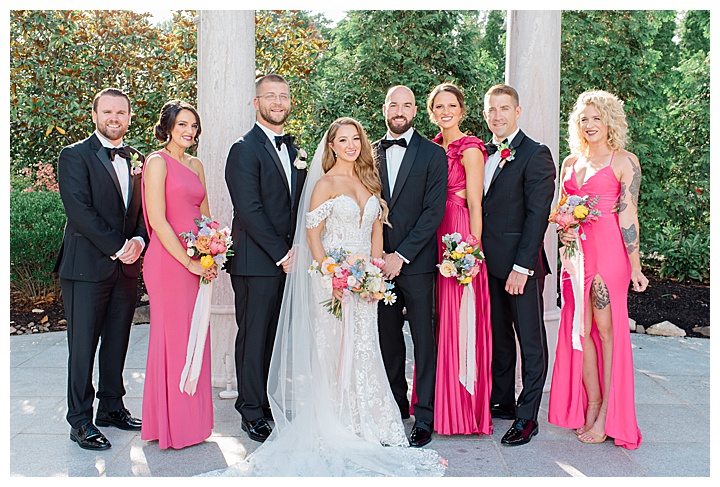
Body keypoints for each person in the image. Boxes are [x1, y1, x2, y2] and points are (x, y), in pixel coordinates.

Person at [202, 118, 445, 477]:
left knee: (364, 346)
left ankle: (368, 420)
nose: (350, 145)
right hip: (333, 280)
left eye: (355, 139)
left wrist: (375, 275)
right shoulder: (324, 184)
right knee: (333, 350)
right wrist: (332, 274)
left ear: (363, 143)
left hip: (365, 283)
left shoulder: (368, 181)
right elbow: (313, 236)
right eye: (342, 140)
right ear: (331, 146)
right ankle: (335, 420)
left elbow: (377, 230)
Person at [548, 90, 647, 449]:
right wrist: (564, 224)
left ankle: (608, 412)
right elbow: (559, 209)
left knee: (606, 331)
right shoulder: (570, 163)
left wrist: (635, 266)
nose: (590, 125)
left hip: (609, 255)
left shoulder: (624, 161)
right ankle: (591, 405)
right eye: (584, 119)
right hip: (576, 256)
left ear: (610, 121)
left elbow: (628, 214)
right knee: (581, 331)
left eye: (596, 118)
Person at [54, 87, 146, 450]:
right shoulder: (74, 155)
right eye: (107, 112)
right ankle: (80, 420)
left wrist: (139, 241)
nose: (114, 118)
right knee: (82, 347)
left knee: (117, 342)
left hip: (126, 269)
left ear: (128, 117)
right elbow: (79, 211)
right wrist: (119, 246)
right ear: (94, 115)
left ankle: (111, 407)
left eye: (120, 112)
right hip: (86, 269)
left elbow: (140, 213)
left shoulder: (137, 158)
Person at [225, 74, 307, 443]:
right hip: (257, 261)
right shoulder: (243, 148)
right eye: (270, 96)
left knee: (275, 337)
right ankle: (251, 409)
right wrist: (281, 254)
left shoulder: (294, 150)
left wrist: (299, 251)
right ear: (256, 103)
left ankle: (267, 401)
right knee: (254, 336)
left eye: (283, 96)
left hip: (288, 259)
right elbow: (250, 209)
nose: (278, 102)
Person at [140, 100, 217, 449]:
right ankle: (171, 427)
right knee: (173, 340)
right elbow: (158, 220)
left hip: (196, 261)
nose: (189, 131)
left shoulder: (197, 164)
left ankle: (192, 424)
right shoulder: (156, 162)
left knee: (196, 334)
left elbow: (205, 217)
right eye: (183, 124)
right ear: (168, 126)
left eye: (194, 126)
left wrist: (212, 251)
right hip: (169, 262)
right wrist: (187, 261)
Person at [481, 84, 556, 446]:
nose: (497, 116)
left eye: (504, 109)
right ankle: (503, 401)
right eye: (492, 110)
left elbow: (537, 216)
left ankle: (528, 416)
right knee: (499, 338)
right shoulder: (482, 153)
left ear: (518, 111)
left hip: (520, 268)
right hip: (486, 266)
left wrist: (522, 267)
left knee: (530, 340)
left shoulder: (535, 154)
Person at [374, 85, 448, 448]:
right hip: (378, 268)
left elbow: (434, 211)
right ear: (384, 109)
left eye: (406, 105)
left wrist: (400, 256)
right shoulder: (367, 152)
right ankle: (395, 406)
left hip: (416, 265)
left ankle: (425, 415)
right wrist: (379, 258)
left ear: (415, 110)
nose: (399, 110)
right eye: (393, 104)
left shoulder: (434, 154)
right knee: (387, 340)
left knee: (423, 341)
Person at [427, 83, 493, 436]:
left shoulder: (470, 149)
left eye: (451, 105)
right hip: (433, 234)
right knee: (438, 318)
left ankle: (461, 409)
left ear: (462, 111)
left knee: (458, 318)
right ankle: (439, 402)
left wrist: (473, 249)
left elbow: (476, 203)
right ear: (432, 112)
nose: (446, 111)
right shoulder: (431, 147)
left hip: (459, 235)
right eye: (439, 106)